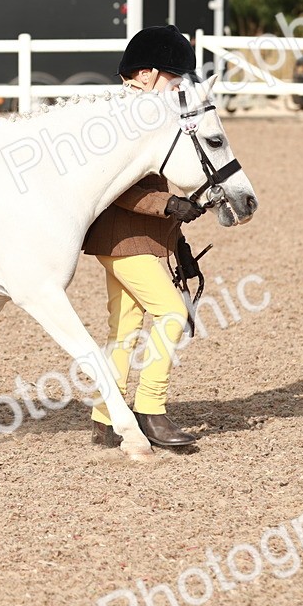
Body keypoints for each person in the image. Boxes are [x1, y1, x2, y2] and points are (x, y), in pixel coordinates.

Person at [84, 25, 206, 449]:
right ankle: (151, 409)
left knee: (125, 328)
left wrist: (179, 238)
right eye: (175, 78)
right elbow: (116, 186)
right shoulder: (125, 117)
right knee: (172, 314)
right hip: (122, 238)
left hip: (124, 239)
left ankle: (106, 418)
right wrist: (169, 205)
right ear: (147, 73)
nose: (179, 87)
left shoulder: (144, 113)